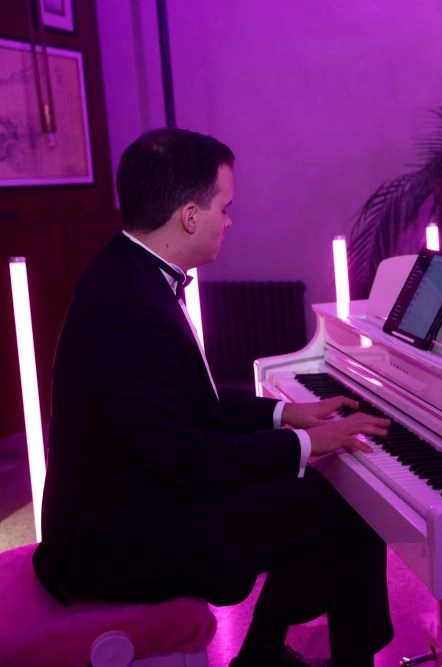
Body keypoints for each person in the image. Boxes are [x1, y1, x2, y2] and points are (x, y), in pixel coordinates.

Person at [32, 127, 395, 667]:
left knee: (317, 496)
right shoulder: (129, 308)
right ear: (189, 216)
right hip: (120, 540)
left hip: (135, 499)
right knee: (345, 509)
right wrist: (306, 444)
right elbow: (185, 453)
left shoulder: (127, 273)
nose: (229, 221)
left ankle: (264, 654)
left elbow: (187, 404)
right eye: (224, 208)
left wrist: (287, 414)